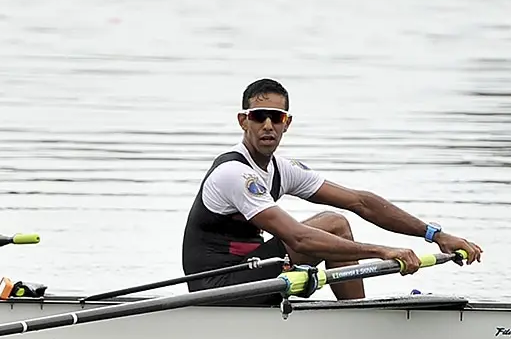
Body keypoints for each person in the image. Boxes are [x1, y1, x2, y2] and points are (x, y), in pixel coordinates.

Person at [181, 78, 483, 305]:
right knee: (333, 225)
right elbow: (298, 238)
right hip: (217, 288)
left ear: (288, 123)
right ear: (243, 121)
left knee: (337, 221)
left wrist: (436, 235)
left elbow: (361, 202)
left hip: (254, 273)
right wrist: (382, 251)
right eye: (260, 116)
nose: (268, 125)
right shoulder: (234, 174)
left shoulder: (282, 170)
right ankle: (355, 317)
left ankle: (354, 315)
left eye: (277, 117)